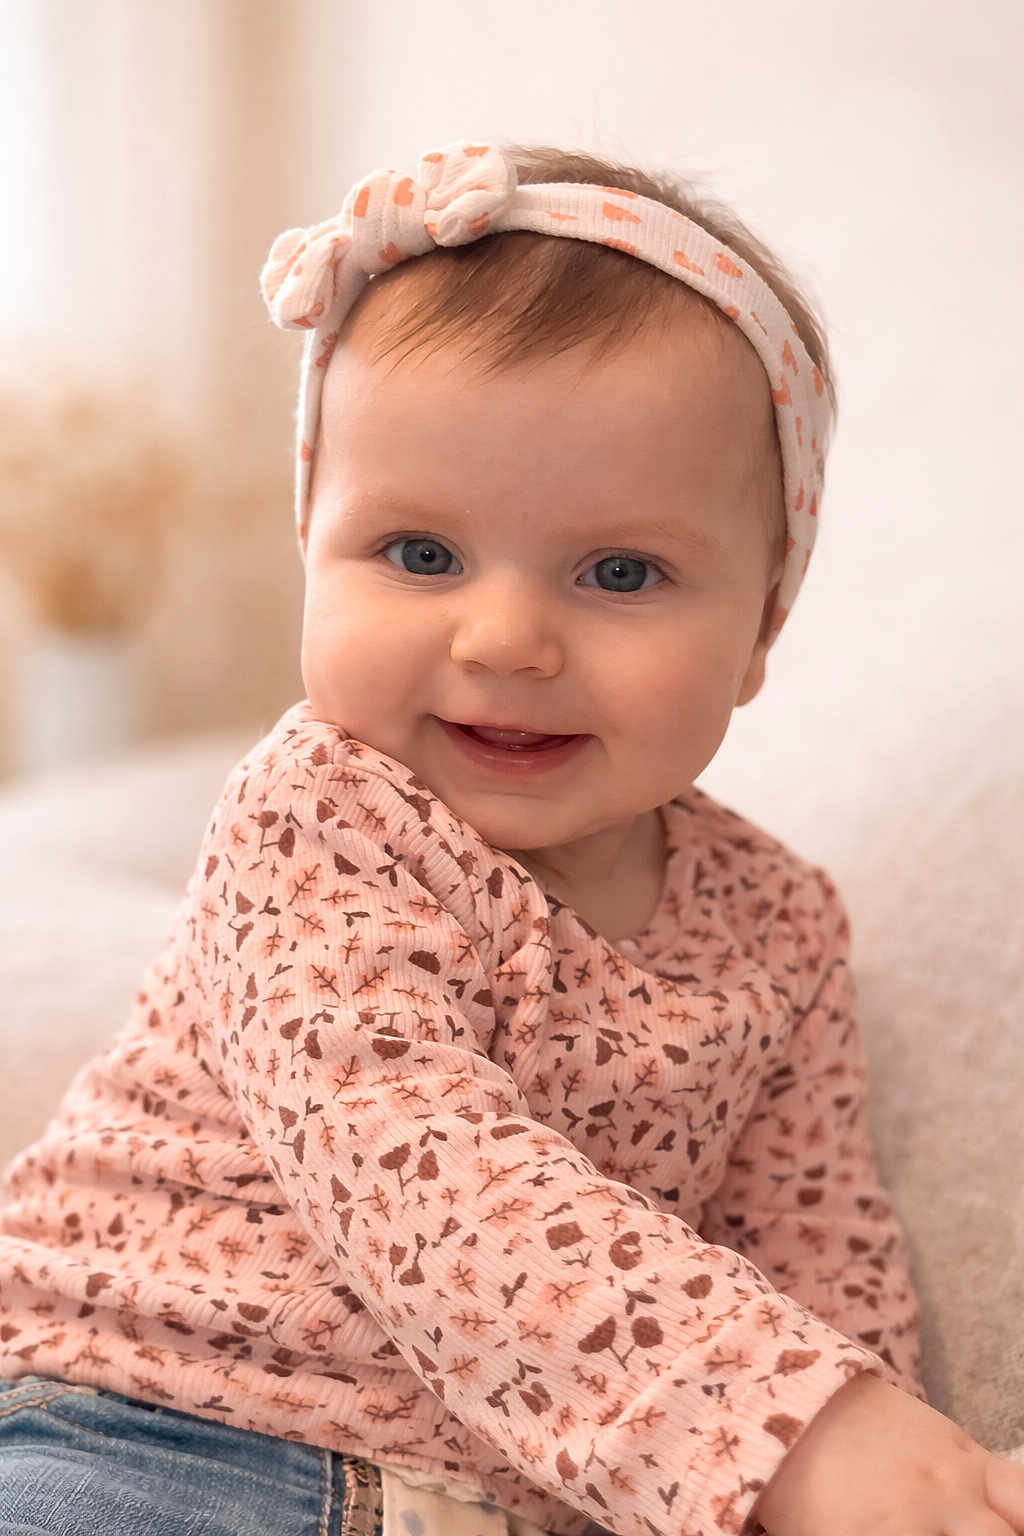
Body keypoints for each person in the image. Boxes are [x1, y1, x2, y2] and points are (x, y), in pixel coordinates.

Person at [1, 137, 1021, 1536]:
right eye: (420, 555)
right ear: (311, 549)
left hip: (532, 1497)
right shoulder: (318, 818)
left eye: (621, 572)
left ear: (761, 629)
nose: (506, 640)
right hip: (159, 1424)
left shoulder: (777, 922)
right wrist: (795, 1437)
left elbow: (817, 1247)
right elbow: (427, 1172)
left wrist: (890, 1467)